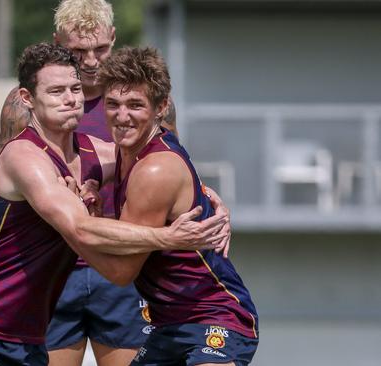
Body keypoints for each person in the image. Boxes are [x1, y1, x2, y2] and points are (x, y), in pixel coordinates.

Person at [0, 42, 228, 366]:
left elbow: (164, 173)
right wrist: (168, 238)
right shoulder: (24, 157)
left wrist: (208, 198)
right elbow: (81, 228)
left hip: (28, 338)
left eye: (75, 88)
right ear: (28, 99)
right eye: (56, 91)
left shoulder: (98, 153)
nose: (71, 99)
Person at [96, 46, 258, 365]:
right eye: (112, 104)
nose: (121, 116)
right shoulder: (129, 150)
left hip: (215, 317)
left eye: (135, 105)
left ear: (161, 107)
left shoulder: (155, 170)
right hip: (167, 325)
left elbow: (121, 271)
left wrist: (75, 226)